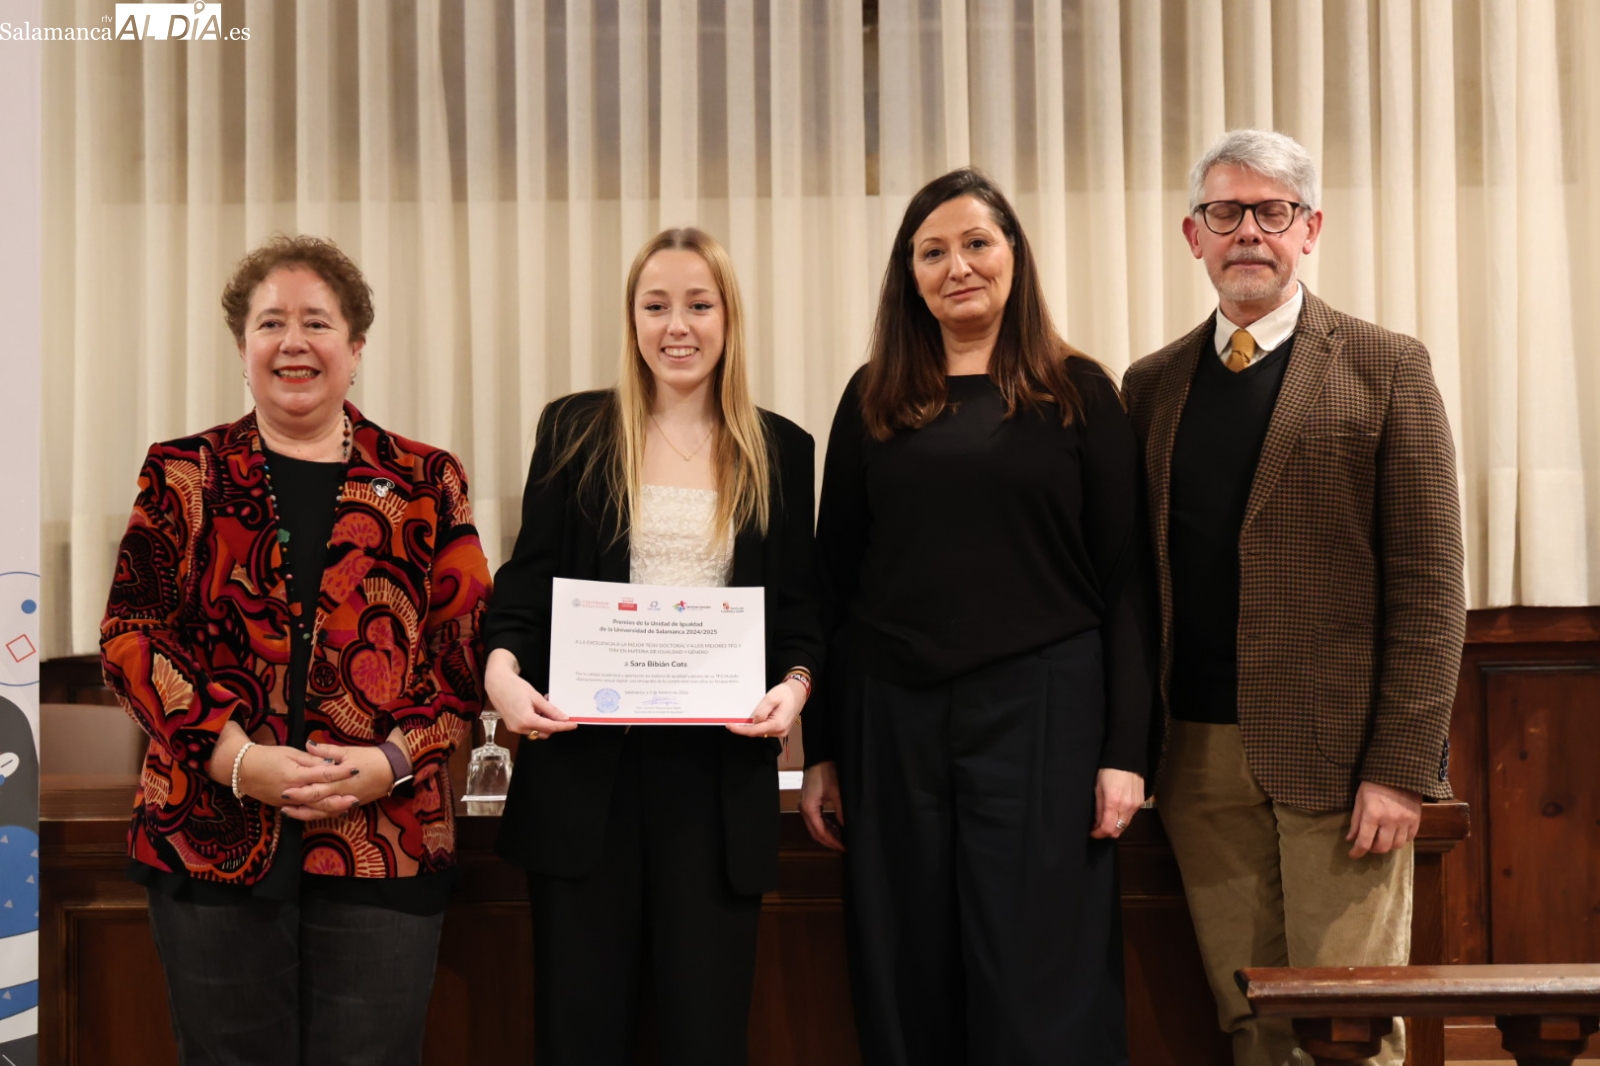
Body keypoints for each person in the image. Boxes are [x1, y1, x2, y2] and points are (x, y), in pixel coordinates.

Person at [99, 235, 493, 1065]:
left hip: (385, 835)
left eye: (317, 322)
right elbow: (132, 636)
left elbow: (462, 659)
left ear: (355, 348)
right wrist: (235, 758)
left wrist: (391, 759)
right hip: (209, 835)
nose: (293, 342)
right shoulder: (183, 473)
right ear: (243, 349)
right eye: (270, 322)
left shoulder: (428, 479)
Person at [1121, 129, 1466, 1066]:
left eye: (1271, 212)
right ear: (1194, 236)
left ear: (1309, 229)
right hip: (1195, 759)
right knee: (1251, 1021)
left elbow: (1433, 588)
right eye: (1225, 212)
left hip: (1342, 760)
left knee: (1349, 1027)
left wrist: (1401, 764)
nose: (1249, 232)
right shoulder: (1149, 388)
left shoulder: (1386, 367)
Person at [799, 168, 1155, 1066]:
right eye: (933, 251)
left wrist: (1125, 753)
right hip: (894, 719)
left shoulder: (1079, 392)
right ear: (909, 275)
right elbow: (833, 583)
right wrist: (826, 749)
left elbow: (1126, 583)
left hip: (1045, 714)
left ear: (1013, 257)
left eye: (977, 243)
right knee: (905, 961)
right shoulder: (872, 396)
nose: (957, 266)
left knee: (1038, 971)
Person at [482, 227, 824, 1066]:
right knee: (579, 1035)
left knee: (705, 1037)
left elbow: (803, 617)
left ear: (727, 317)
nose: (679, 325)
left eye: (699, 305)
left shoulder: (780, 450)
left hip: (715, 791)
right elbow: (524, 590)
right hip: (585, 784)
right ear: (632, 319)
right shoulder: (575, 432)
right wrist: (501, 676)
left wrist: (796, 686)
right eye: (657, 305)